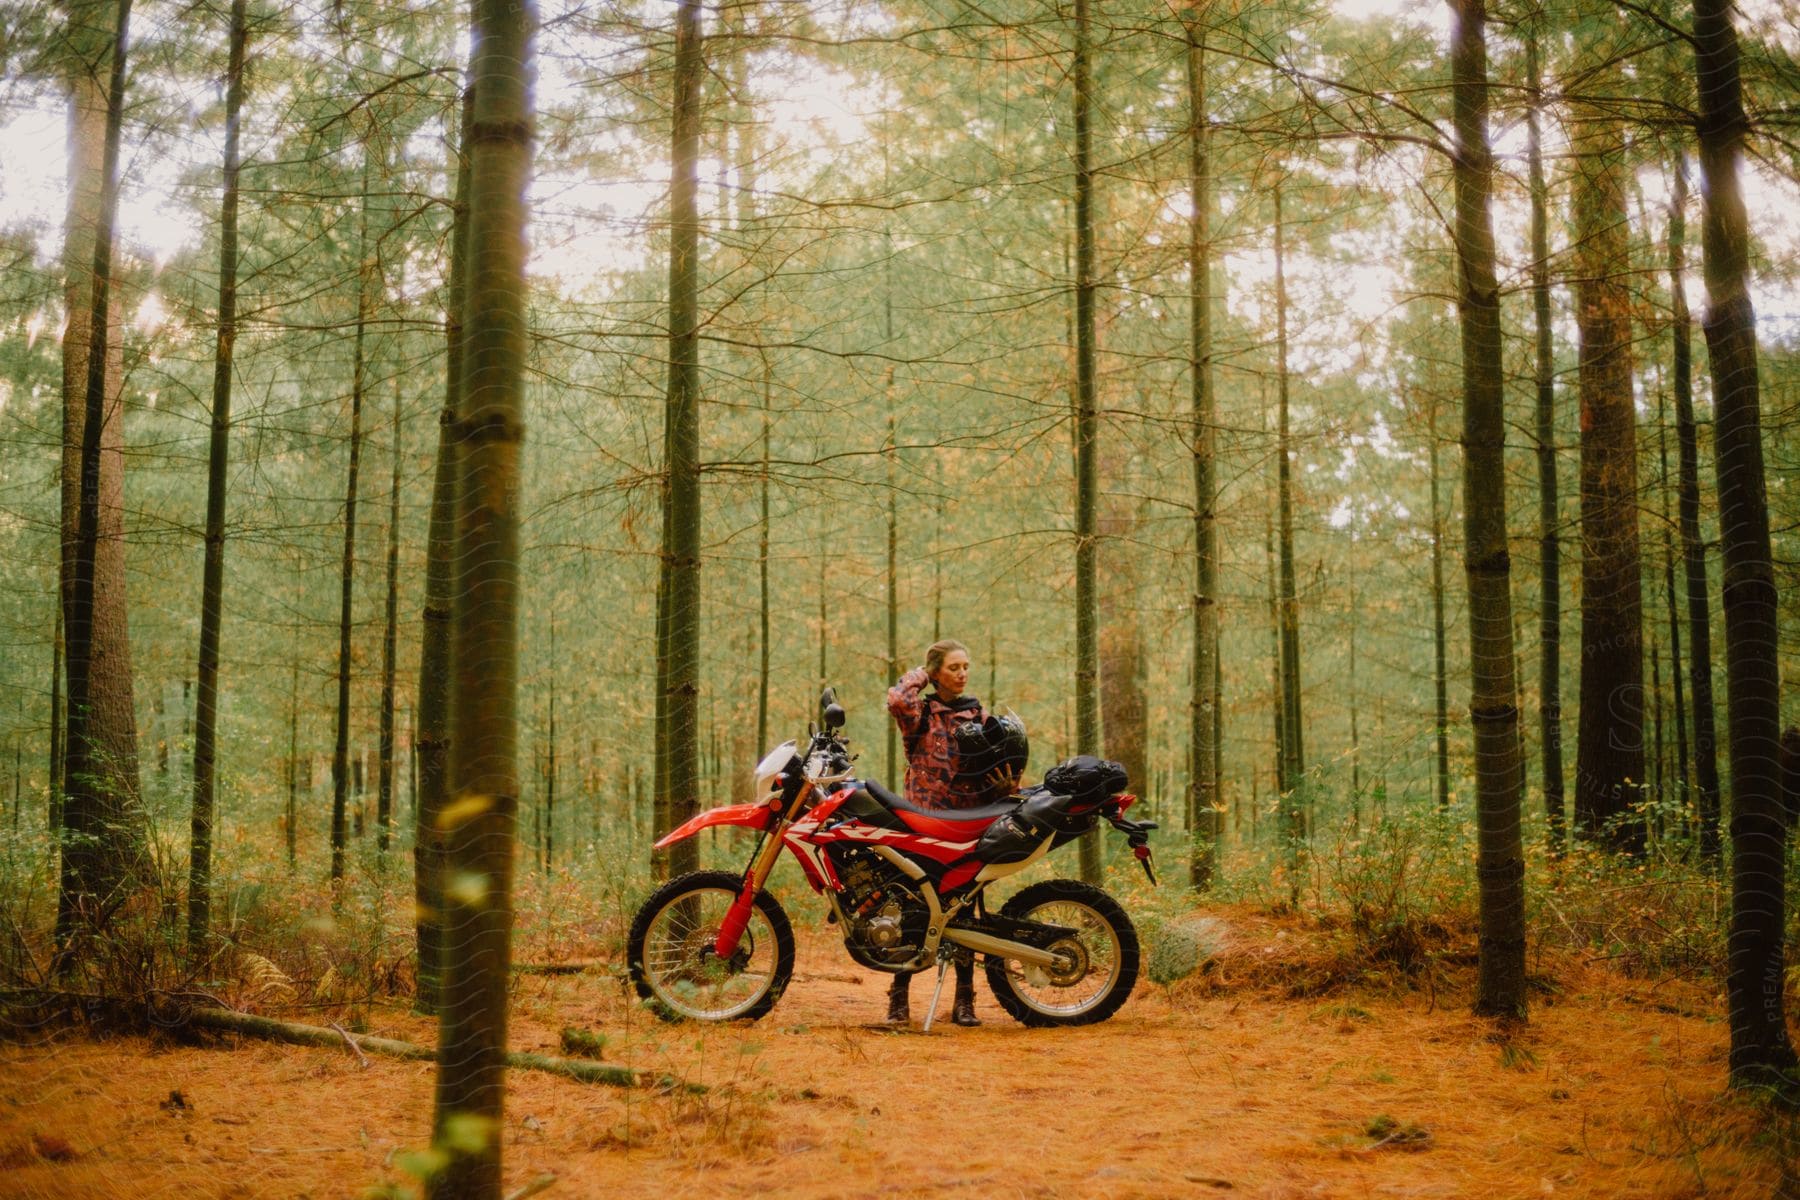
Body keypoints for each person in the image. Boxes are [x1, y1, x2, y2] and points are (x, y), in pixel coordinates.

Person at [883, 637, 1016, 1027]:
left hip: (969, 826)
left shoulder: (978, 715)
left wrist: (1005, 787)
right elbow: (896, 700)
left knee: (965, 913)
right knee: (913, 907)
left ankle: (964, 1001)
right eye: (953, 667)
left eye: (965, 667)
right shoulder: (919, 714)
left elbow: (998, 763)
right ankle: (898, 997)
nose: (962, 674)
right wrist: (922, 672)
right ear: (936, 673)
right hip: (924, 826)